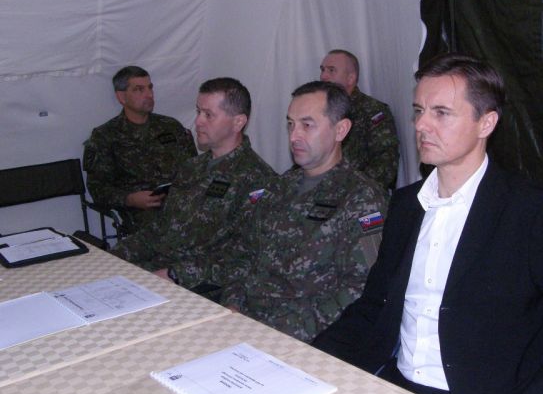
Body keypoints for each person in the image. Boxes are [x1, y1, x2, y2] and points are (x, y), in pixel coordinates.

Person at [314, 53, 543, 394]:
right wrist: (308, 360)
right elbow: (374, 306)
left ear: (486, 123)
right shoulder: (406, 205)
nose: (421, 125)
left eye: (441, 113)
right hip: (392, 389)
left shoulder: (529, 213)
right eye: (418, 110)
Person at [208, 81, 388, 343]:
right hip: (246, 321)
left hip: (304, 338)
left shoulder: (362, 198)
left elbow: (361, 287)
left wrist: (282, 331)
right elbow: (244, 252)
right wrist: (233, 303)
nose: (294, 136)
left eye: (307, 125)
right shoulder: (279, 187)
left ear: (340, 129)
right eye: (291, 124)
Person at [110, 78, 275, 289]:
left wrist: (175, 274)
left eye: (208, 115)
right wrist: (115, 255)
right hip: (158, 269)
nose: (198, 122)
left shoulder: (257, 179)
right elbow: (161, 229)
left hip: (198, 285)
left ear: (238, 122)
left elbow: (246, 257)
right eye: (198, 112)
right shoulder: (192, 167)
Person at [83, 66, 196, 234]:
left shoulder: (170, 126)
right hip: (143, 213)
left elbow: (194, 167)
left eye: (150, 88)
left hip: (182, 202)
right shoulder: (106, 136)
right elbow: (98, 189)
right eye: (139, 89)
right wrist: (130, 199)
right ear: (121, 97)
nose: (149, 94)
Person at [320, 49, 399, 191]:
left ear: (350, 78)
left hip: (357, 196)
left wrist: (348, 190)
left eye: (331, 70)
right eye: (322, 70)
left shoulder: (372, 111)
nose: (323, 76)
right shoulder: (320, 111)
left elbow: (385, 165)